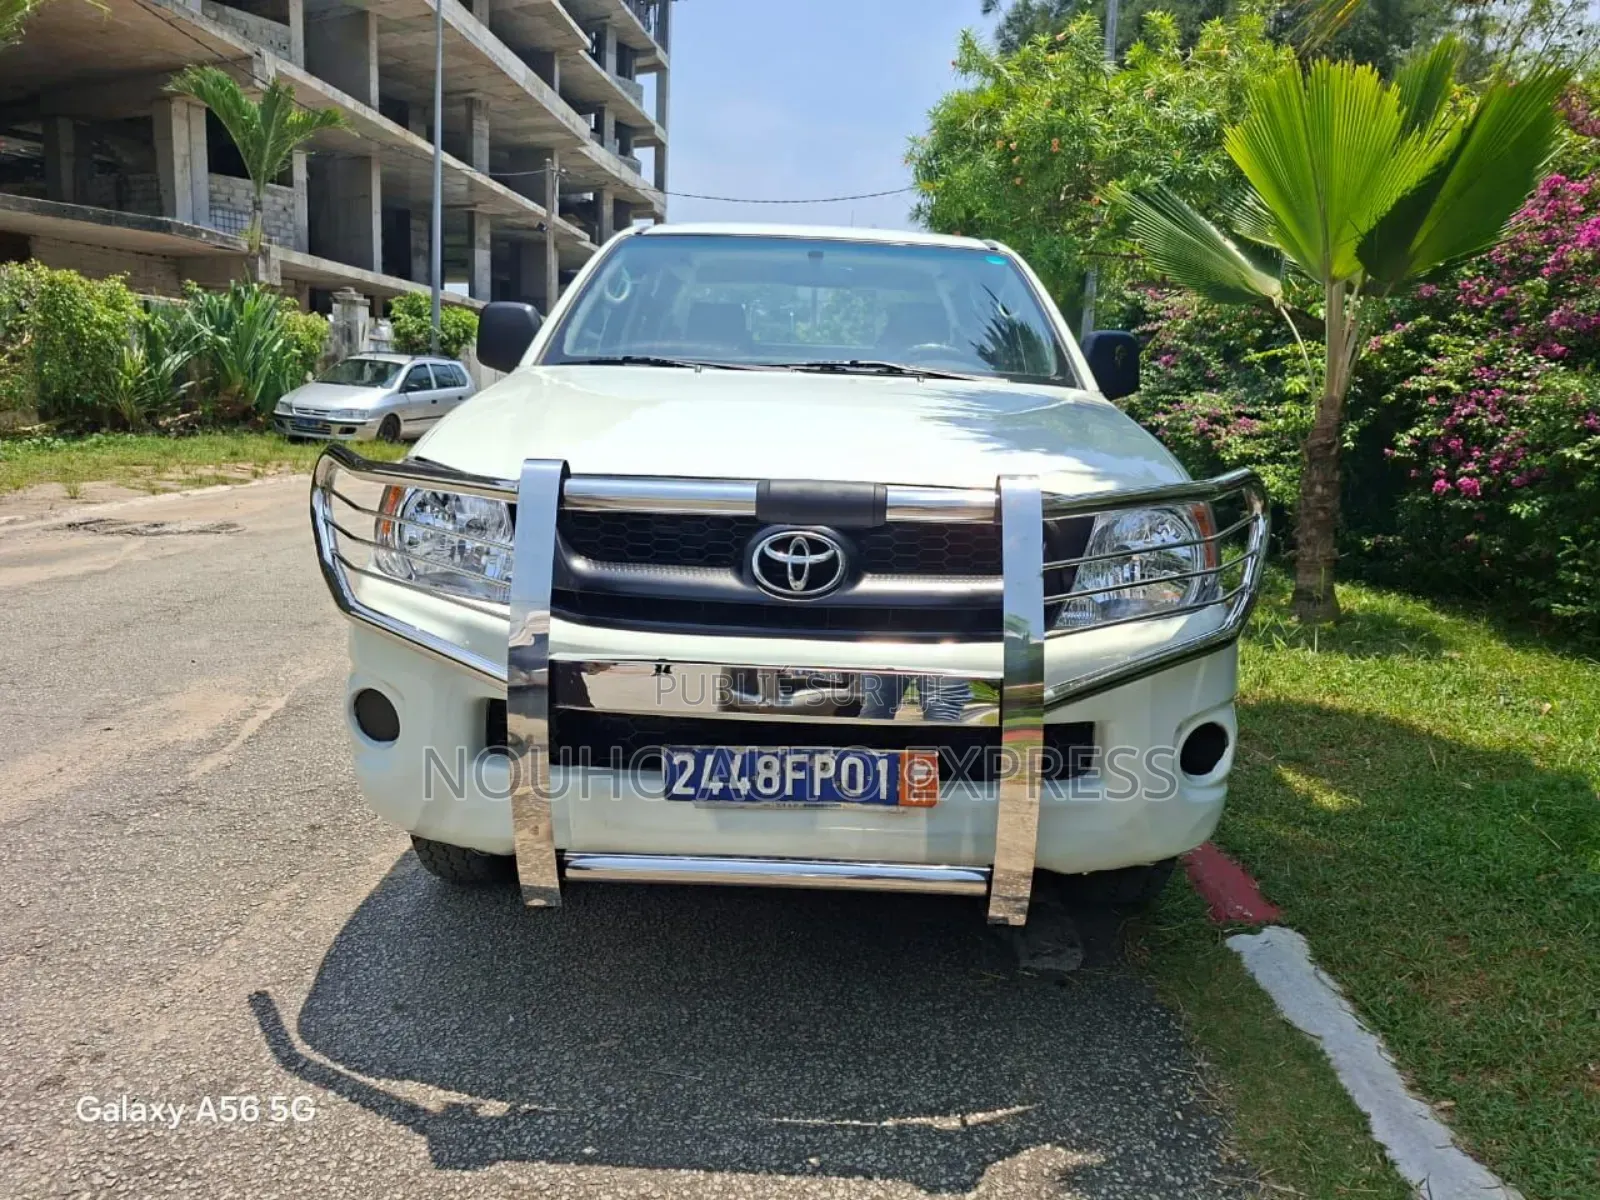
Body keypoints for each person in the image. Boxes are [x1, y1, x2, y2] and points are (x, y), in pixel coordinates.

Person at [859, 674, 971, 722]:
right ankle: (945, 766)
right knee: (943, 715)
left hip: (886, 637)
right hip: (946, 637)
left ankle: (864, 765)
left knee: (875, 713)